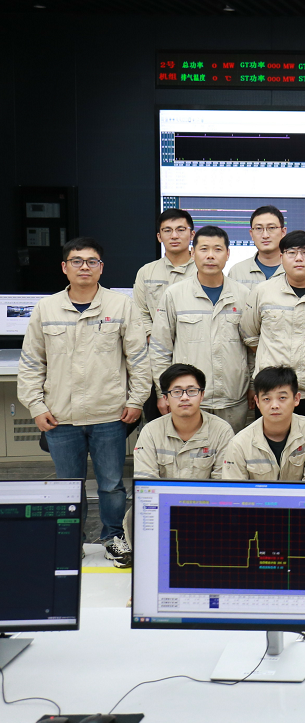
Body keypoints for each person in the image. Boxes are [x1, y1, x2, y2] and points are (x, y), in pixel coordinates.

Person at [19, 237, 149, 567]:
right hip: (60, 416)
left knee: (111, 485)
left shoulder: (120, 306)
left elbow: (138, 358)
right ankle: (70, 540)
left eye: (92, 261)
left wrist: (137, 400)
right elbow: (31, 362)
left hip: (110, 415)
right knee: (68, 486)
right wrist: (36, 406)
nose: (84, 267)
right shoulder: (46, 309)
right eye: (77, 261)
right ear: (64, 267)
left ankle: (113, 537)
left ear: (101, 267)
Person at [149, 225, 252, 433]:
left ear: (228, 254)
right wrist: (163, 392)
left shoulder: (243, 295)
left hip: (233, 401)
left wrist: (253, 386)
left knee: (231, 452)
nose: (210, 256)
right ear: (192, 253)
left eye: (218, 249)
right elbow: (160, 349)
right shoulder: (174, 295)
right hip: (188, 400)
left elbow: (252, 348)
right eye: (204, 249)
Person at [240, 231, 305, 437]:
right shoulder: (263, 292)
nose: (298, 258)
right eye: (291, 252)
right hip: (272, 392)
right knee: (270, 447)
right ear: (281, 256)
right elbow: (250, 334)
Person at [126, 363, 235, 543]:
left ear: (202, 395)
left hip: (207, 510)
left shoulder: (222, 431)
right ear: (166, 398)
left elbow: (222, 485)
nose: (184, 397)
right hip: (164, 509)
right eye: (176, 392)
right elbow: (146, 483)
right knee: (135, 514)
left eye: (191, 391)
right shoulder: (151, 432)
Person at [134, 208, 198, 422]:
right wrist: (155, 338)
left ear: (192, 234)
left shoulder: (203, 270)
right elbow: (139, 313)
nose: (174, 235)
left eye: (181, 229)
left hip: (194, 355)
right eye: (167, 230)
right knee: (160, 424)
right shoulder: (146, 272)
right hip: (156, 359)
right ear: (159, 236)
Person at [219, 366, 305, 482]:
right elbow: (236, 489)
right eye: (267, 399)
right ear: (257, 402)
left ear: (296, 399)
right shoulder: (239, 443)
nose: (274, 405)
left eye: (282, 397)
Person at [227, 205, 287, 293]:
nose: (265, 235)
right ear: (251, 234)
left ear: (283, 232)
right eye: (259, 228)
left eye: (271, 228)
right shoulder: (237, 272)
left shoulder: (295, 269)